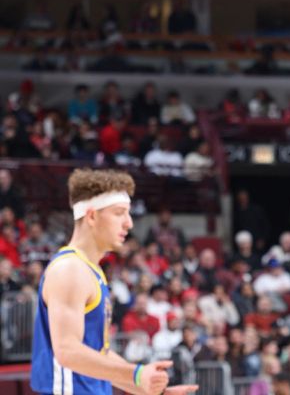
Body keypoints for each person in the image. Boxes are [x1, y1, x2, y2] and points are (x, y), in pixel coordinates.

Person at [30, 168, 197, 395]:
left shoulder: (91, 270)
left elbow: (98, 353)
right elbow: (67, 350)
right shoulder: (70, 269)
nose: (129, 224)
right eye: (119, 213)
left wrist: (149, 388)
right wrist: (136, 375)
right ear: (91, 216)